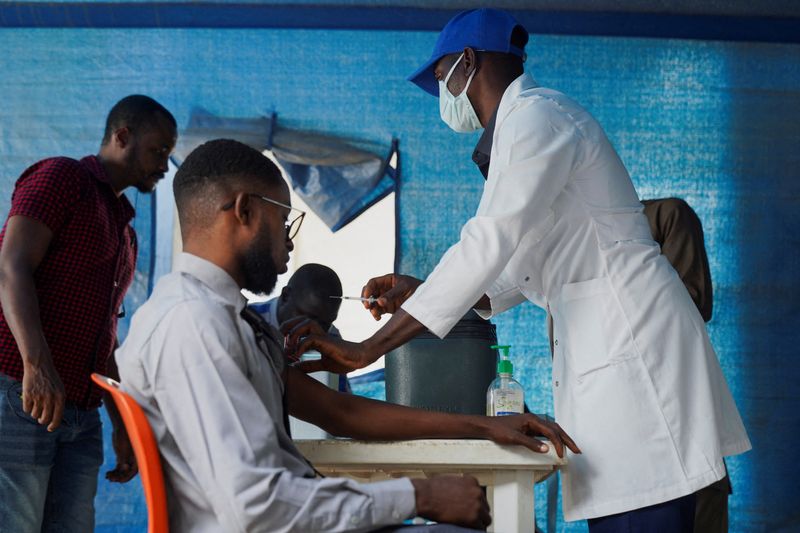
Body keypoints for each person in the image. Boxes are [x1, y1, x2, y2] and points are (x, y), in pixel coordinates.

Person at [285, 8, 751, 532]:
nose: (443, 97)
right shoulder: (517, 138)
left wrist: (366, 351)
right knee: (626, 508)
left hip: (635, 347)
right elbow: (511, 276)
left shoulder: (537, 118)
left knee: (645, 509)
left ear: (468, 62)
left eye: (441, 80)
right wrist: (420, 292)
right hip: (606, 342)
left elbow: (487, 242)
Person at [116, 138, 579, 532]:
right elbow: (259, 507)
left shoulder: (226, 319)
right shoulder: (196, 324)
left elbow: (340, 411)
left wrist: (485, 426)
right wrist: (418, 495)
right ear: (245, 211)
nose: (290, 242)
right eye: (285, 220)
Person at [0, 94, 177, 531]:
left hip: (81, 415)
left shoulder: (125, 233)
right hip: (20, 395)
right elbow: (10, 266)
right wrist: (36, 367)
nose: (164, 165)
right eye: (159, 151)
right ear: (122, 136)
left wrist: (119, 420)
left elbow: (106, 335)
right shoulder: (63, 178)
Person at [642, 197, 731, 533]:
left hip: (682, 433)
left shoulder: (663, 216)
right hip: (617, 453)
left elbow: (690, 304)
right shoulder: (559, 243)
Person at [251, 262, 351, 392]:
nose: (314, 330)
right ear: (286, 296)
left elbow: (340, 399)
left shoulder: (331, 338)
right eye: (306, 318)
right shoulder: (248, 321)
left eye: (326, 324)